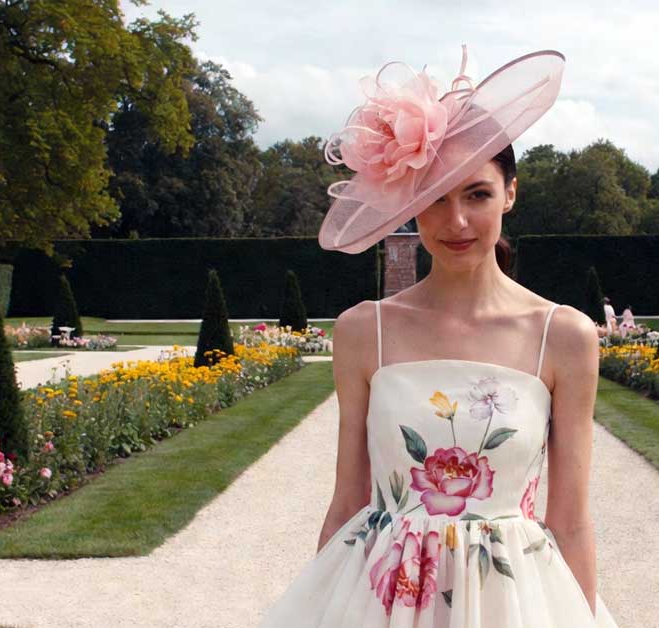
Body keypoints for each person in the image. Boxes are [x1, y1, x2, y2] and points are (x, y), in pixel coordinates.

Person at [258, 46, 619, 627]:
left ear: (511, 193)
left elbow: (572, 519)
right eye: (433, 198)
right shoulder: (363, 331)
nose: (456, 223)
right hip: (384, 600)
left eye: (476, 194)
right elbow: (349, 502)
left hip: (511, 603)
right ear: (409, 204)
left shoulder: (564, 335)